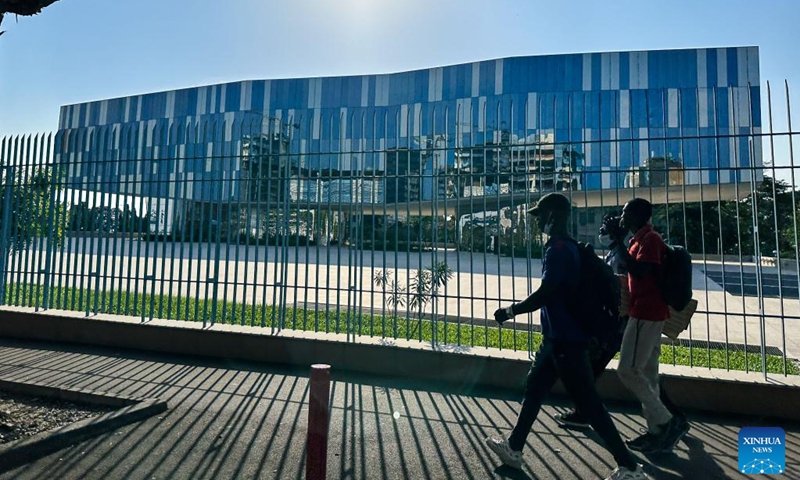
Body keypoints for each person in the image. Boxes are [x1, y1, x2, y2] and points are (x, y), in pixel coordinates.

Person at [485, 193, 649, 480]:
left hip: (567, 341)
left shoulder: (559, 250)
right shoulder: (563, 247)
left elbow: (547, 292)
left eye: (540, 217)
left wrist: (510, 310)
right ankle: (514, 447)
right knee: (535, 388)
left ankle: (630, 466)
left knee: (589, 403)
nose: (537, 223)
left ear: (552, 217)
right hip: (555, 339)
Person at [614, 198, 689, 454]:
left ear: (638, 215)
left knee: (627, 370)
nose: (622, 218)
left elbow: (642, 271)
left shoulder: (651, 240)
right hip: (644, 311)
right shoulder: (638, 239)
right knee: (647, 375)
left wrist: (617, 242)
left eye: (625, 213)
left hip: (646, 313)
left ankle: (668, 422)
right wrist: (619, 241)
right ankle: (657, 431)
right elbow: (627, 268)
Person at [553, 213, 629, 429]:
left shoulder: (620, 255)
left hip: (617, 324)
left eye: (604, 230)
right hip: (614, 323)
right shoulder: (615, 253)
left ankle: (588, 415)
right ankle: (584, 412)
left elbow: (620, 290)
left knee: (591, 372)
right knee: (594, 371)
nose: (601, 233)